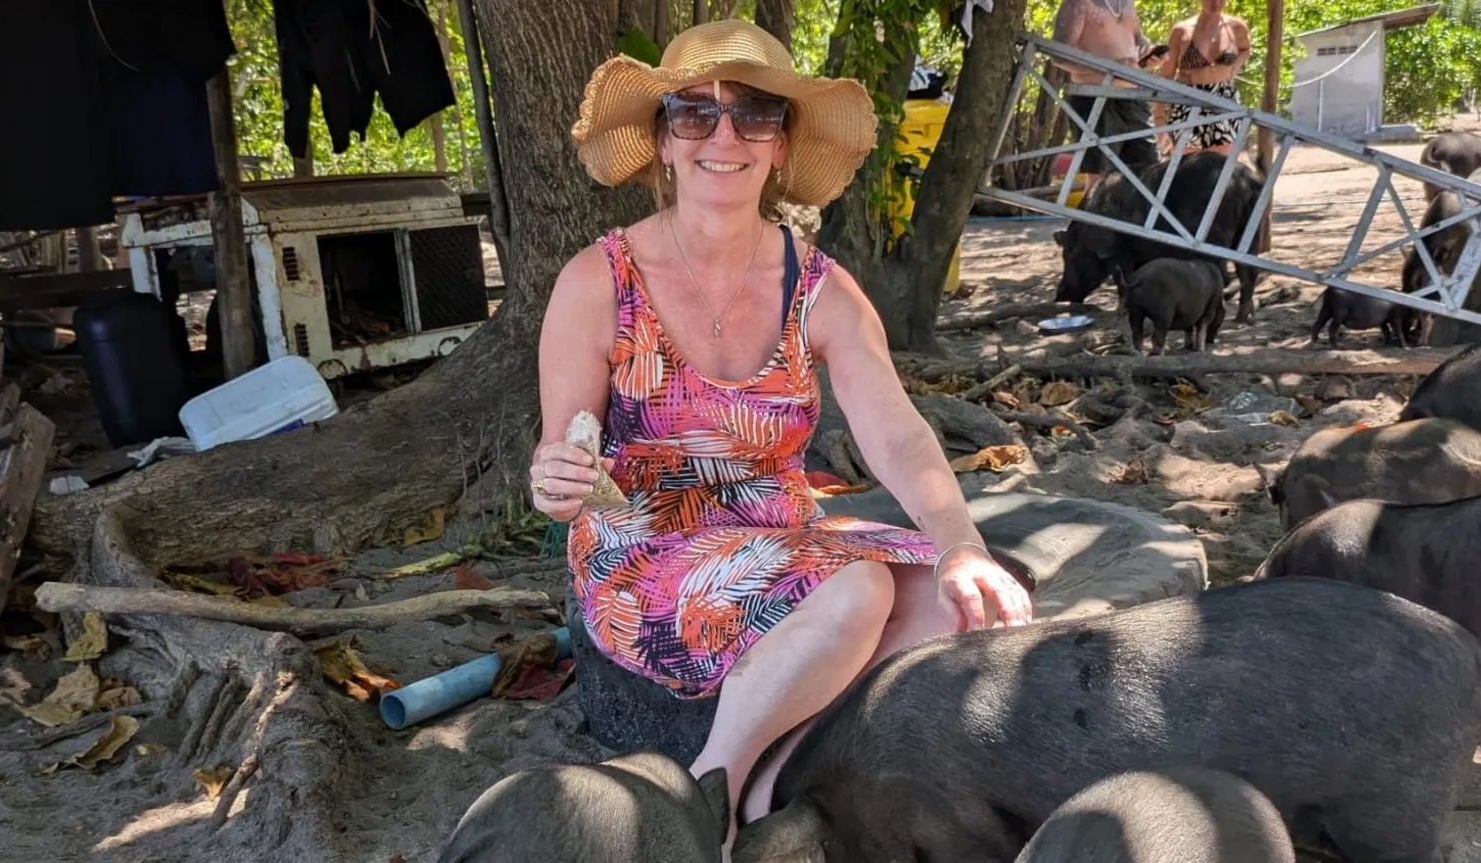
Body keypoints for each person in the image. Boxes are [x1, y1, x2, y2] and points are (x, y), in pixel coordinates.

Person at [532, 18, 1034, 850]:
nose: (722, 136)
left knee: (976, 605)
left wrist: (960, 545)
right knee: (861, 589)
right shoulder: (598, 281)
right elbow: (563, 459)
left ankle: (772, 778)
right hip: (645, 549)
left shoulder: (821, 288)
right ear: (661, 140)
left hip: (779, 541)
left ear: (779, 143)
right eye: (694, 113)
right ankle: (711, 799)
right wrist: (557, 479)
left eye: (753, 114)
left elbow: (899, 435)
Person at [1051, 0, 1167, 186]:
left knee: (1147, 172)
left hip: (1133, 97)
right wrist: (1107, 69)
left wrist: (1150, 54)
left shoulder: (1127, 3)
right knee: (1100, 178)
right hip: (1094, 97)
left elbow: (1137, 43)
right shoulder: (1078, 3)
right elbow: (1059, 55)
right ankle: (1087, 214)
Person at [1150, 0, 1252, 155]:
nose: (1215, 2)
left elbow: (1246, 50)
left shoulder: (1236, 27)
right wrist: (1158, 117)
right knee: (1185, 168)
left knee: (1221, 168)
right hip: (1188, 100)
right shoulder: (1181, 31)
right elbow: (1166, 76)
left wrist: (1233, 68)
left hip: (1222, 100)